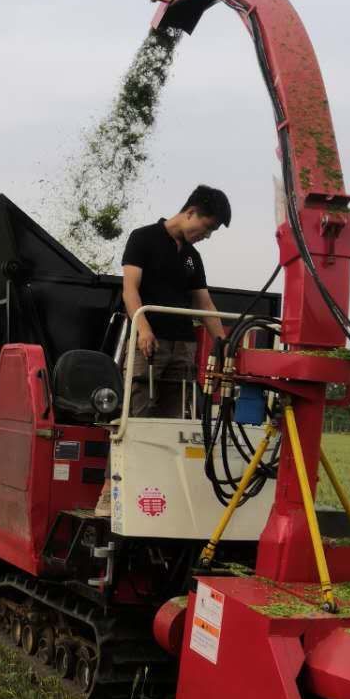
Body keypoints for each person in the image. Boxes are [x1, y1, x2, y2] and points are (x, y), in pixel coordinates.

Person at [95, 185, 231, 516]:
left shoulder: (191, 257)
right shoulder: (143, 239)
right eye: (207, 227)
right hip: (149, 344)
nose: (206, 235)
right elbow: (130, 289)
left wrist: (225, 343)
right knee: (134, 419)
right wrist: (143, 329)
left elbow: (203, 303)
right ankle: (109, 498)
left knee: (176, 426)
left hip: (183, 348)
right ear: (191, 212)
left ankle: (164, 500)